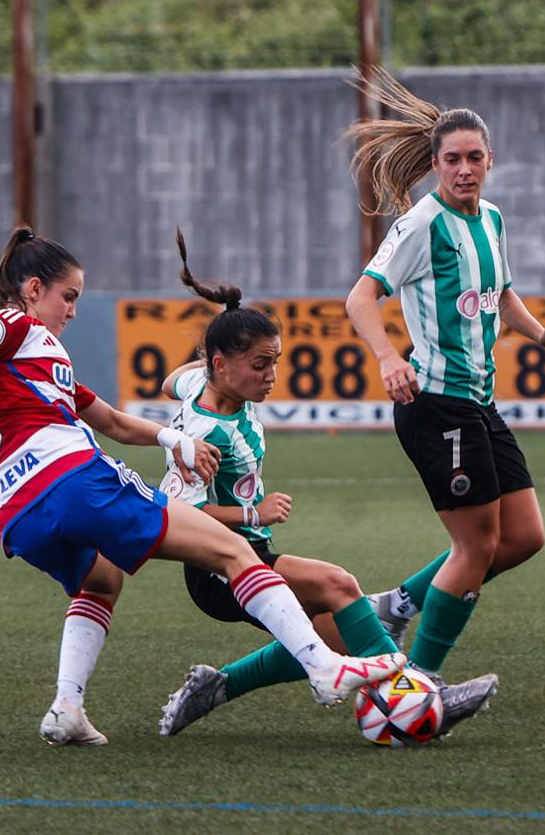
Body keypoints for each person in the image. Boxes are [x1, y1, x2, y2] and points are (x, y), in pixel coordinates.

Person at [0, 226, 404, 746]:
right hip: (73, 481)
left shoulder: (44, 356)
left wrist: (175, 440)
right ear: (33, 289)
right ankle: (325, 668)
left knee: (101, 581)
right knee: (235, 551)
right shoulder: (12, 326)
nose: (72, 310)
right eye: (67, 297)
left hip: (21, 513)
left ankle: (67, 708)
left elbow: (113, 421)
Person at [342, 68, 545, 709]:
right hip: (435, 404)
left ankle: (399, 605)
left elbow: (501, 294)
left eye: (475, 157)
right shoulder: (421, 224)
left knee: (523, 537)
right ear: (436, 165)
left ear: (490, 160)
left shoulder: (493, 220)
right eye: (453, 159)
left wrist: (539, 335)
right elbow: (360, 298)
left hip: (477, 402)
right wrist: (390, 357)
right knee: (475, 545)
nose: (465, 168)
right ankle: (410, 690)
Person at [153, 230, 406, 737]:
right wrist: (255, 513)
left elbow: (169, 383)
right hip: (219, 569)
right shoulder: (205, 433)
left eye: (275, 363)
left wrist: (210, 372)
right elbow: (179, 516)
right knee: (340, 585)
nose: (270, 376)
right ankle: (415, 694)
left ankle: (214, 688)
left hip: (250, 551)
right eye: (259, 365)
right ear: (223, 365)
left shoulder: (205, 386)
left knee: (332, 639)